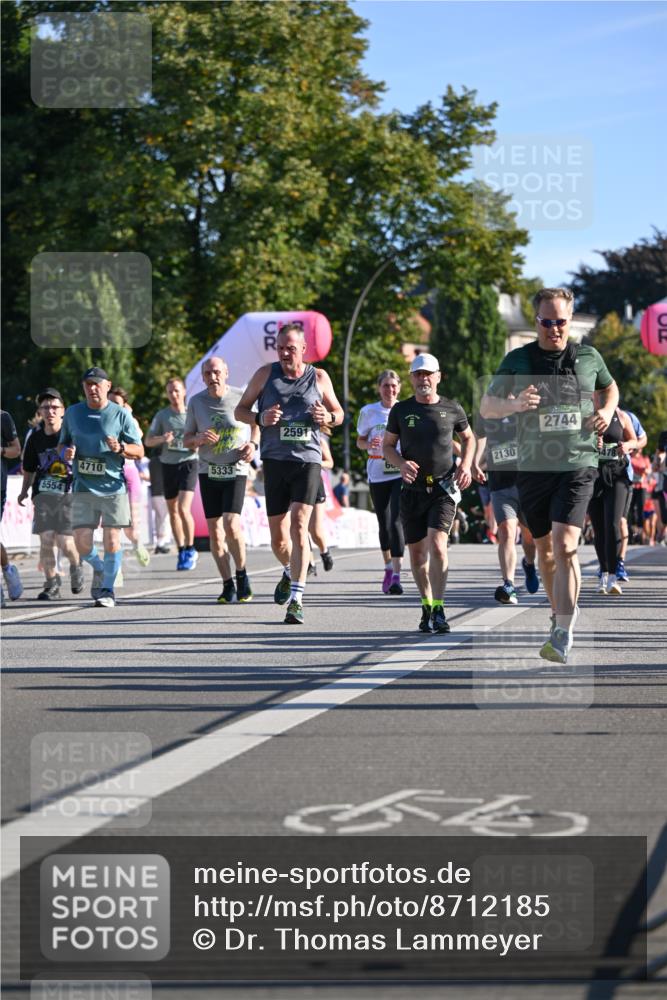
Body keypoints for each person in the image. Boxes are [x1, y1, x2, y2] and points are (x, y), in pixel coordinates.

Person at [481, 286, 619, 664]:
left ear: (570, 320)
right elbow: (487, 406)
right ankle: (557, 611)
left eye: (561, 321)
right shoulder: (518, 360)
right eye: (546, 322)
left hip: (578, 462)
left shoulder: (589, 356)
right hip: (534, 467)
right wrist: (514, 403)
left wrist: (606, 413)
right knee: (544, 549)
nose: (554, 329)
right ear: (537, 321)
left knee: (565, 543)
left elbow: (611, 389)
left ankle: (563, 628)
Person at [235, 322, 344, 625]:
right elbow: (240, 410)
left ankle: (296, 599)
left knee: (299, 525)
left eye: (290, 348)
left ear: (303, 349)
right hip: (274, 460)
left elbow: (339, 414)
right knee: (278, 540)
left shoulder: (319, 377)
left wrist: (328, 416)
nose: (284, 353)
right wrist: (260, 417)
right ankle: (288, 569)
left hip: (307, 460)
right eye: (281, 348)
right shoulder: (265, 375)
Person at [383, 353, 474, 634]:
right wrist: (400, 463)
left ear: (438, 376)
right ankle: (426, 604)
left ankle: (439, 608)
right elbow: (387, 446)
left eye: (428, 374)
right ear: (411, 378)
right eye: (418, 374)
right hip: (412, 490)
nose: (423, 379)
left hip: (444, 488)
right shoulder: (401, 411)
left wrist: (467, 465)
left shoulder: (452, 408)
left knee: (437, 545)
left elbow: (468, 438)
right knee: (418, 555)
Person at [59, 367, 143, 608]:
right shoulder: (73, 413)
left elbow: (139, 450)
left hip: (112, 487)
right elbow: (61, 444)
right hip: (83, 486)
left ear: (107, 386)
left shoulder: (120, 415)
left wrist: (120, 448)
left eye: (97, 383)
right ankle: (102, 568)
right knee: (82, 542)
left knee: (112, 539)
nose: (93, 388)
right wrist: (66, 452)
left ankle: (107, 589)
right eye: (88, 384)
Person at [183, 356, 257, 604]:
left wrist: (253, 444)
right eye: (207, 374)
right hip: (208, 470)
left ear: (226, 373)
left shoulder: (239, 396)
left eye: (216, 372)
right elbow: (186, 440)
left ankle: (242, 573)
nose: (212, 377)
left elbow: (256, 423)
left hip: (235, 469)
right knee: (215, 532)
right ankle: (227, 584)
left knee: (231, 524)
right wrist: (199, 438)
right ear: (203, 377)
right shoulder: (196, 402)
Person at [17, 388, 84, 600]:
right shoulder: (35, 438)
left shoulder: (73, 434)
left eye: (55, 407)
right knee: (46, 540)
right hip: (43, 496)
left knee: (65, 542)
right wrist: (24, 491)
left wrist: (76, 456)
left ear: (63, 411)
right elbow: (28, 467)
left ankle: (75, 565)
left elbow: (89, 460)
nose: (50, 411)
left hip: (68, 496)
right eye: (45, 407)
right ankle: (51, 583)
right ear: (40, 411)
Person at [473, 411, 539, 605]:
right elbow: (479, 435)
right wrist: (476, 461)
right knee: (506, 532)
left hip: (528, 483)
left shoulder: (529, 408)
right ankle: (508, 585)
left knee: (530, 538)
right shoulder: (490, 409)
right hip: (500, 484)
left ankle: (528, 563)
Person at [356, 369, 405, 595]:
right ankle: (387, 567)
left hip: (398, 471)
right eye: (386, 386)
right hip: (377, 472)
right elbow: (359, 442)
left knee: (396, 520)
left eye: (393, 386)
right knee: (384, 523)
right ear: (379, 388)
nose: (390, 390)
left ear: (399, 388)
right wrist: (369, 444)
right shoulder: (369, 412)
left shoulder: (405, 410)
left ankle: (397, 574)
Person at [145, 377, 198, 570]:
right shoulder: (162, 416)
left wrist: (197, 442)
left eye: (176, 390)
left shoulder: (193, 413)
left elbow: (204, 436)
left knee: (184, 508)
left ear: (184, 391)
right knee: (173, 511)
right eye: (170, 392)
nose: (173, 395)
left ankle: (191, 548)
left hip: (189, 463)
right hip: (168, 465)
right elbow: (148, 441)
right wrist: (162, 438)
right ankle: (182, 549)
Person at [587, 405, 639, 596]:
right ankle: (603, 571)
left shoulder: (621, 416)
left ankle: (612, 576)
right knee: (599, 527)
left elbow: (635, 440)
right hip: (593, 475)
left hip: (617, 475)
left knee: (613, 524)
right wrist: (592, 443)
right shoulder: (586, 414)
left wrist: (627, 446)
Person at [107, 387, 151, 572]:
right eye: (110, 403)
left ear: (125, 406)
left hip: (130, 475)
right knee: (113, 528)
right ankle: (114, 571)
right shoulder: (102, 420)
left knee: (131, 526)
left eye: (117, 404)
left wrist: (128, 415)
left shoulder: (129, 420)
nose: (113, 407)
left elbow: (139, 439)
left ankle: (136, 543)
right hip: (110, 476)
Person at [615, 409, 648, 581]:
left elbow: (643, 439)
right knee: (603, 522)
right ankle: (605, 563)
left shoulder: (626, 416)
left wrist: (630, 445)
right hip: (596, 476)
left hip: (622, 476)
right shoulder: (589, 412)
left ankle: (619, 562)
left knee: (620, 520)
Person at [1, 409, 23, 605]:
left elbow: (16, 450)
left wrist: (0, 450)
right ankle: (7, 568)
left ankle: (7, 572)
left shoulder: (3, 417)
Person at [307, 427, 334, 575]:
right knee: (300, 528)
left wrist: (315, 462)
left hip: (315, 483)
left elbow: (330, 463)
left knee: (315, 529)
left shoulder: (319, 439)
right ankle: (309, 563)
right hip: (296, 483)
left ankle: (324, 551)